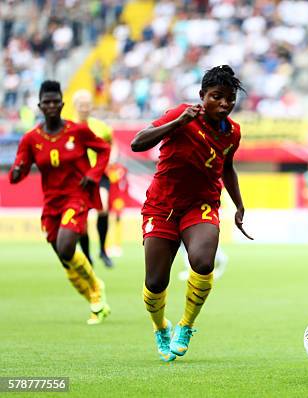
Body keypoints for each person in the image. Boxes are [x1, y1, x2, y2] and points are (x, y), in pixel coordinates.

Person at [131, 65, 253, 362]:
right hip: (162, 206)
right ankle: (161, 327)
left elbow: (226, 167)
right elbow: (137, 143)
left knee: (202, 260)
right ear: (202, 96)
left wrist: (238, 204)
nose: (224, 104)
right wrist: (176, 124)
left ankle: (186, 325)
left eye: (230, 98)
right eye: (216, 97)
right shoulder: (181, 115)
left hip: (202, 204)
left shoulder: (233, 132)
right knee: (156, 282)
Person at [9, 80, 111, 325]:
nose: (52, 106)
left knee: (66, 247)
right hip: (51, 202)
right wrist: (17, 171)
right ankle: (95, 302)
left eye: (56, 101)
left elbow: (104, 149)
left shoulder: (77, 131)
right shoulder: (31, 138)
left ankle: (97, 288)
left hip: (76, 196)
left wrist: (94, 174)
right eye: (47, 102)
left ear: (62, 104)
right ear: (40, 106)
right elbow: (19, 172)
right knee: (63, 257)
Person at [72, 89, 115, 268]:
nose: (85, 108)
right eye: (81, 105)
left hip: (99, 175)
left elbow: (111, 144)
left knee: (103, 209)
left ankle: (103, 251)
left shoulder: (100, 126)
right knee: (82, 217)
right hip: (78, 178)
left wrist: (109, 159)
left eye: (88, 105)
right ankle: (87, 255)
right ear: (75, 107)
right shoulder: (69, 127)